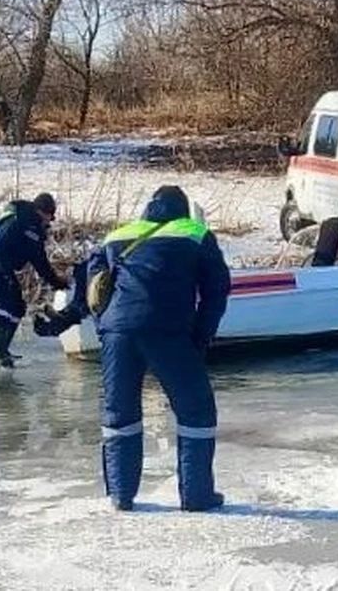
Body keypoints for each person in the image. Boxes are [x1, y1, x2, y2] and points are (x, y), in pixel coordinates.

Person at [87, 185, 231, 512]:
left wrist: (105, 326)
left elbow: (91, 285)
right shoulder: (195, 233)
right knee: (196, 410)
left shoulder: (117, 236)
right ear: (183, 211)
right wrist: (200, 339)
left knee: (119, 412)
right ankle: (196, 495)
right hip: (168, 331)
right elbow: (217, 290)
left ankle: (121, 495)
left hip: (117, 333)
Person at [0, 192, 68, 368]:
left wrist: (57, 283)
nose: (50, 221)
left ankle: (3, 350)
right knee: (3, 303)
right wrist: (8, 276)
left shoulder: (35, 230)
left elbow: (40, 261)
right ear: (42, 212)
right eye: (50, 216)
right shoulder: (18, 219)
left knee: (17, 306)